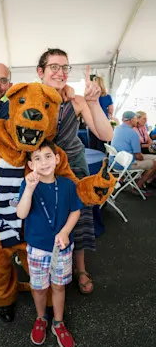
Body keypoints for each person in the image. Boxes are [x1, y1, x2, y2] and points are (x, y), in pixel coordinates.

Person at [36, 48, 113, 294]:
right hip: (45, 169)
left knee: (78, 217)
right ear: (41, 71)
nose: (60, 72)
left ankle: (80, 268)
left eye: (65, 67)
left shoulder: (77, 101)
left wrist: (92, 102)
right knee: (45, 219)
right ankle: (45, 268)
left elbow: (106, 134)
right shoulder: (34, 98)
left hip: (75, 168)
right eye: (54, 67)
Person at [17, 140, 82, 347]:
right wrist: (29, 188)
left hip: (62, 247)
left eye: (47, 156)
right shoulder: (27, 185)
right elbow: (21, 213)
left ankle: (58, 322)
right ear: (30, 164)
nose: (43, 162)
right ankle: (40, 318)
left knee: (58, 285)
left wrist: (65, 231)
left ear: (57, 159)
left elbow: (75, 211)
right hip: (37, 248)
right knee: (38, 287)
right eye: (37, 158)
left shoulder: (67, 185)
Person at [111, 111, 156, 195]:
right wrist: (142, 159)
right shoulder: (133, 133)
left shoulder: (117, 128)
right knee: (154, 163)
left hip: (115, 161)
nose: (137, 121)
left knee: (153, 158)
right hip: (125, 163)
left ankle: (133, 181)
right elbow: (138, 156)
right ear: (131, 120)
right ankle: (138, 186)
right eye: (135, 118)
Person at [88, 76, 114, 152]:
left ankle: (93, 163)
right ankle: (102, 162)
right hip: (103, 123)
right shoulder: (107, 97)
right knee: (102, 146)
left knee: (92, 145)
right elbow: (110, 111)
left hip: (92, 123)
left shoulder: (89, 96)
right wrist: (106, 119)